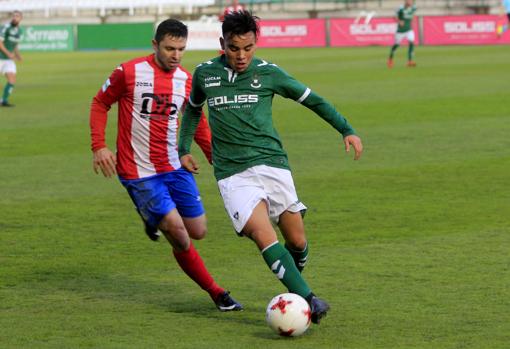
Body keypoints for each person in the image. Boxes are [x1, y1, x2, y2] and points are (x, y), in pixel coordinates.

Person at [178, 10, 363, 325]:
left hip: (272, 164)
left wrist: (346, 129)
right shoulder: (204, 74)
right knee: (263, 234)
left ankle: (293, 281)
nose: (241, 55)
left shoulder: (269, 73)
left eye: (248, 48)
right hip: (233, 174)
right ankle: (308, 299)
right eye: (234, 48)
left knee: (298, 241)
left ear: (255, 43)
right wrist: (183, 148)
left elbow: (312, 100)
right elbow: (193, 110)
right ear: (222, 43)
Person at [89, 18, 242, 312]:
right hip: (138, 171)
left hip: (174, 167)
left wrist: (215, 158)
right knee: (179, 234)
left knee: (198, 230)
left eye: (181, 49)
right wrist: (99, 145)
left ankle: (151, 218)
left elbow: (196, 122)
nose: (176, 55)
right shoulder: (128, 72)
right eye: (170, 48)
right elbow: (100, 103)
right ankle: (216, 292)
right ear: (155, 45)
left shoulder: (186, 80)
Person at [0, 10, 23, 107]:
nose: (15, 17)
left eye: (17, 16)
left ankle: (3, 101)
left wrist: (17, 54)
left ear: (21, 18)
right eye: (13, 16)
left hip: (8, 60)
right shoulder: (6, 27)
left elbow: (15, 44)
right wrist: (8, 53)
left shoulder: (20, 31)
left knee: (12, 79)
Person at [387, 0, 417, 68]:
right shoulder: (400, 8)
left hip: (409, 29)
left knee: (411, 41)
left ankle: (410, 61)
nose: (410, 2)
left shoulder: (413, 8)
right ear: (406, 1)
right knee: (396, 45)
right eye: (409, 1)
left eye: (411, 1)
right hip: (400, 31)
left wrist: (413, 20)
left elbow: (413, 14)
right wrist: (399, 21)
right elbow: (395, 16)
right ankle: (390, 59)